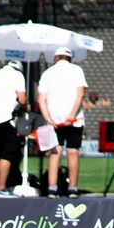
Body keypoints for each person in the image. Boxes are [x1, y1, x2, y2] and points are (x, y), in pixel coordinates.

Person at [36, 46, 88, 198]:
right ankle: (72, 188)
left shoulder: (47, 73)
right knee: (72, 152)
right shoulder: (77, 70)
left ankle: (52, 188)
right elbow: (80, 94)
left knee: (55, 153)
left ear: (55, 58)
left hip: (54, 121)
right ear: (69, 58)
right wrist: (71, 115)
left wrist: (47, 118)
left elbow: (41, 99)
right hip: (74, 120)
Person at [0, 58, 27, 195]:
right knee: (7, 154)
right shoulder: (17, 75)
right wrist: (24, 108)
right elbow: (22, 99)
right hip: (6, 119)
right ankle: (2, 187)